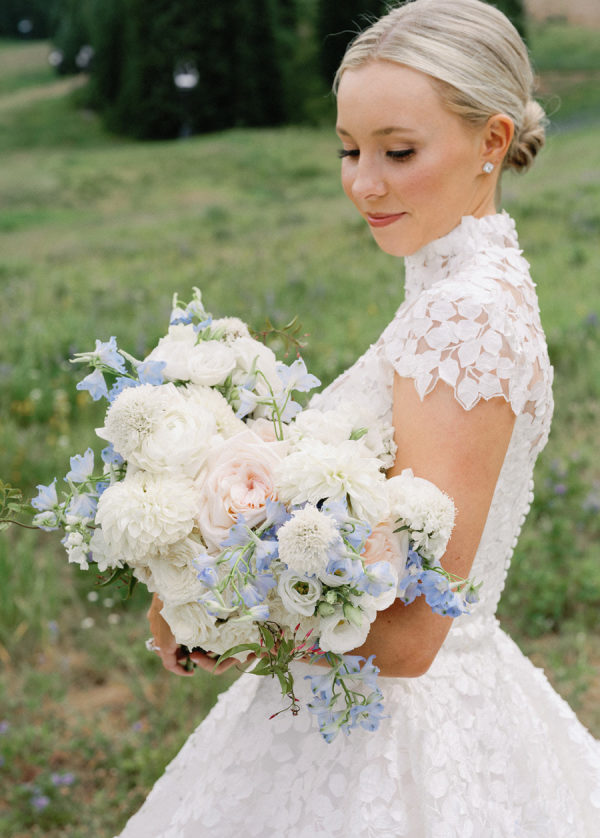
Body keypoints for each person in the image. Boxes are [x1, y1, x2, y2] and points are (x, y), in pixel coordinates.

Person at [117, 1, 600, 835]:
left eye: (398, 151)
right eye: (350, 148)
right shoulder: (450, 288)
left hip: (398, 731)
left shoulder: (466, 318)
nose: (363, 183)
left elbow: (411, 638)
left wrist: (213, 614)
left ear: (491, 141)